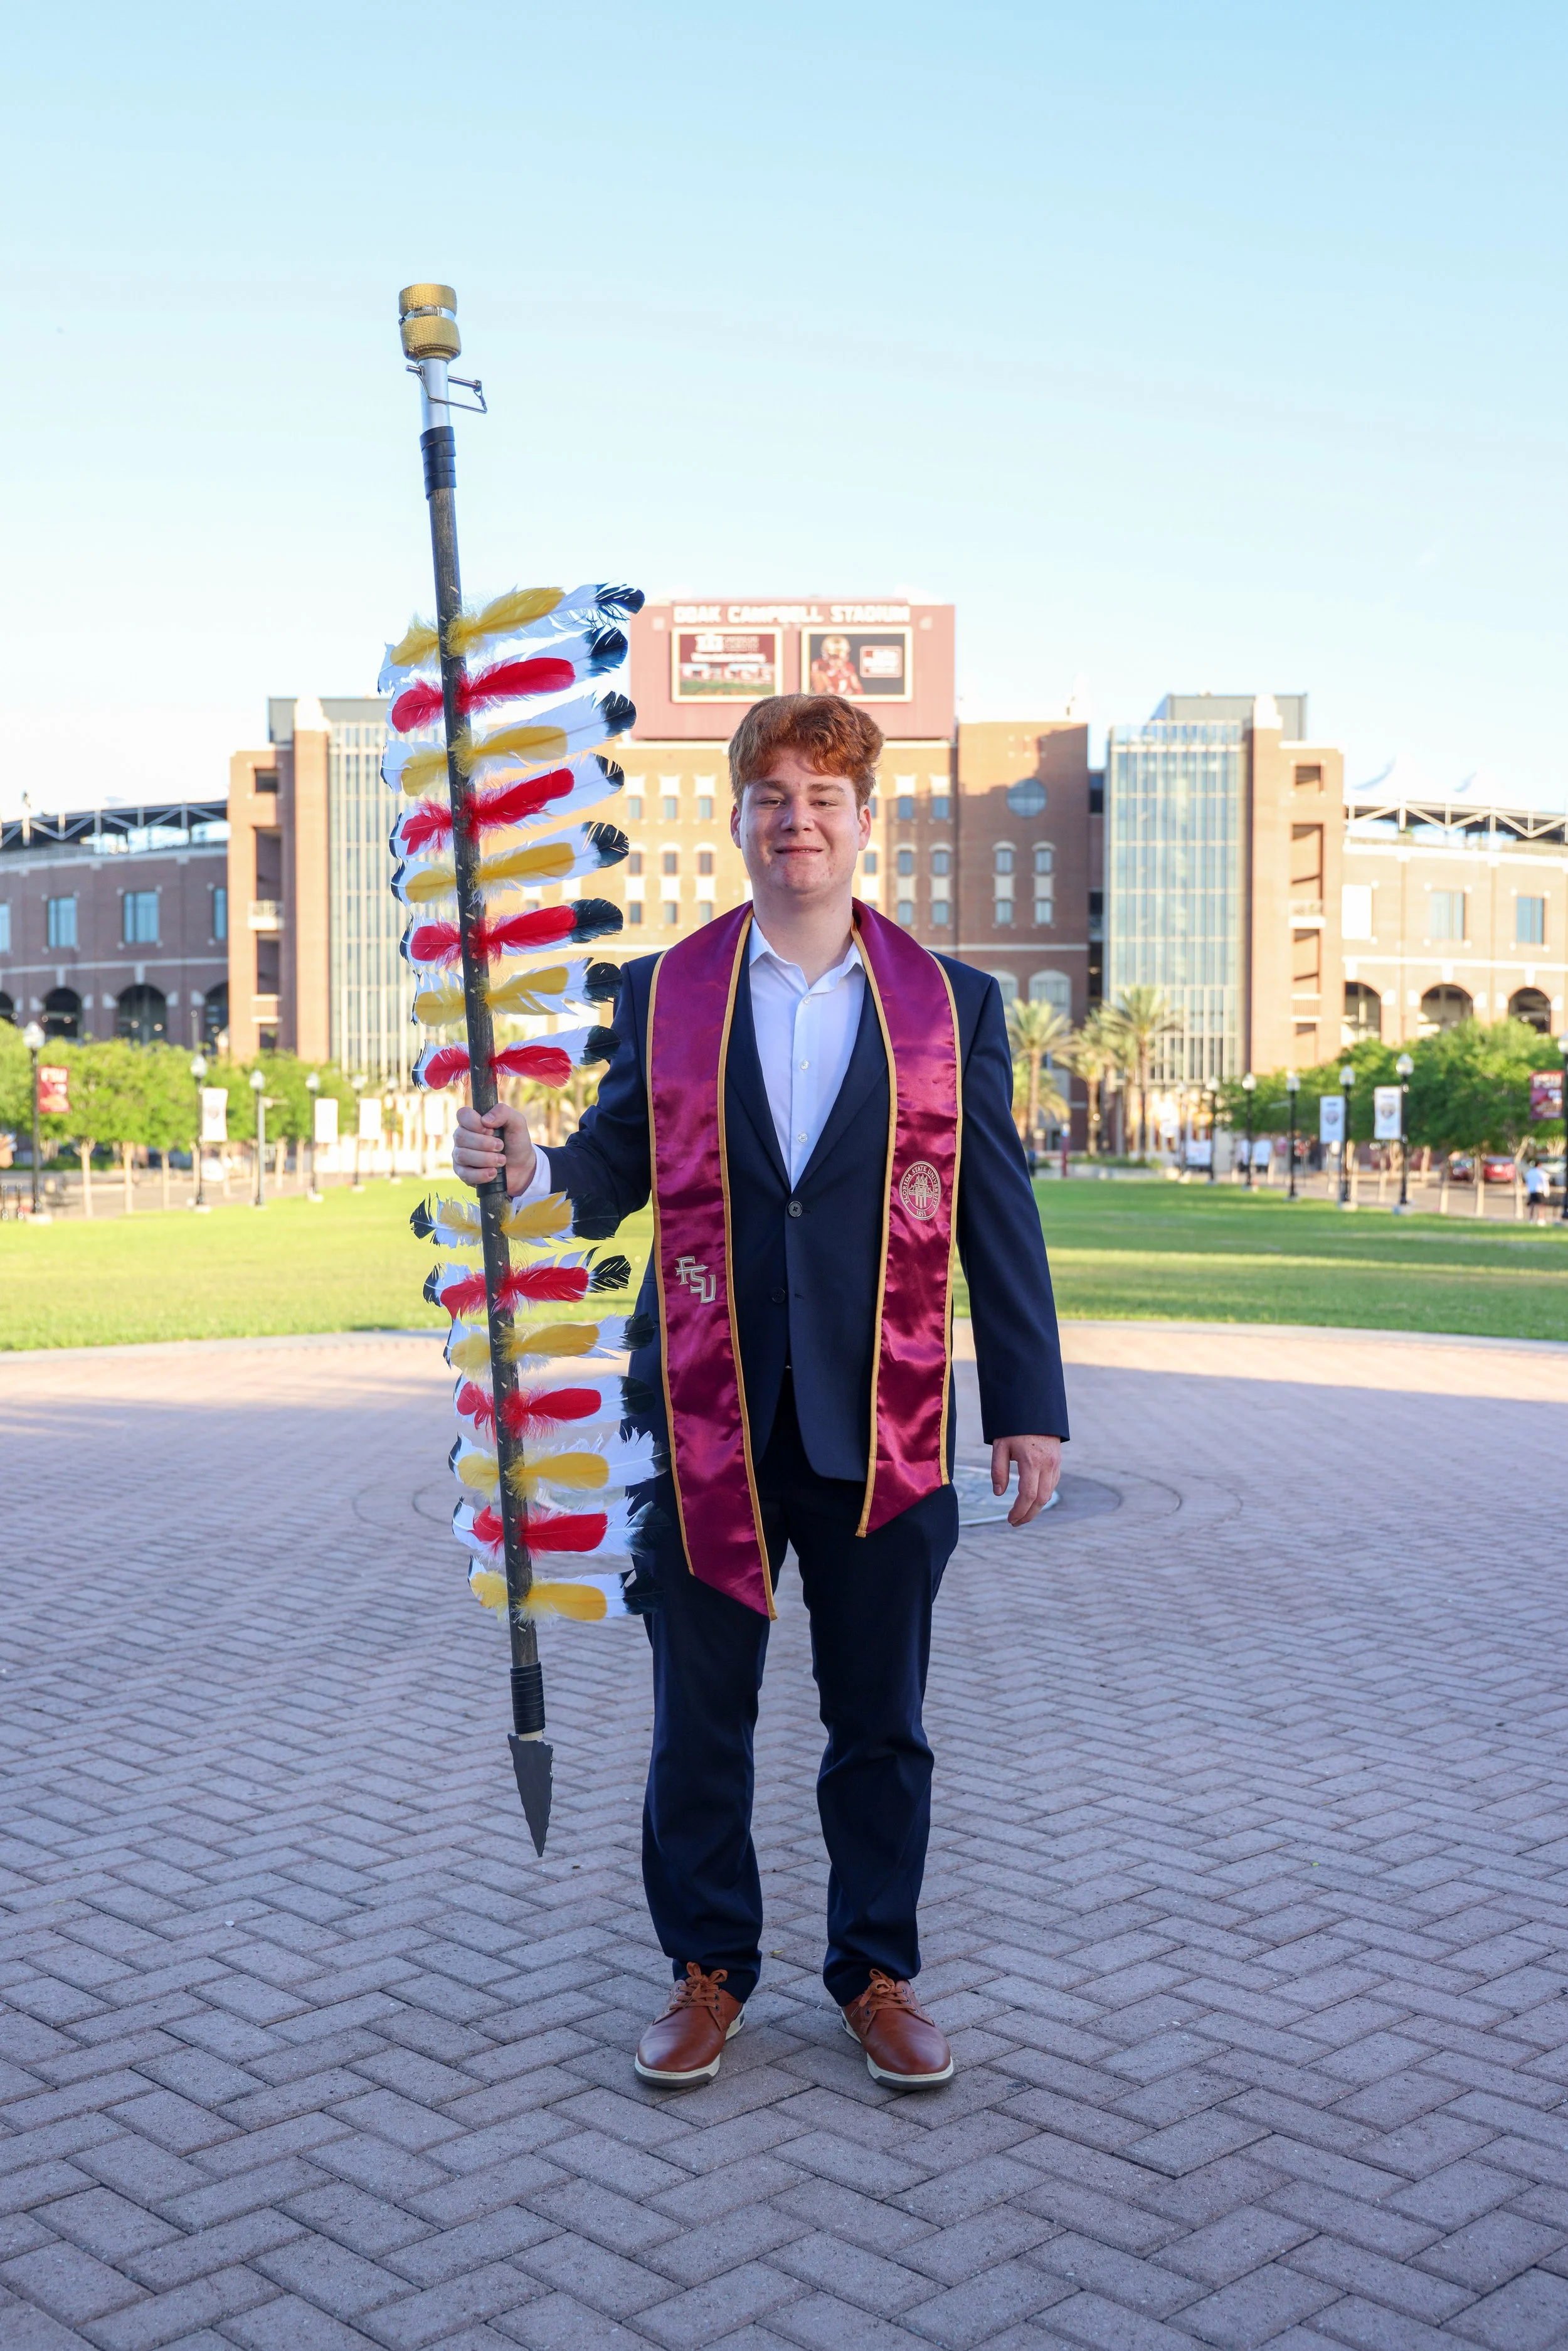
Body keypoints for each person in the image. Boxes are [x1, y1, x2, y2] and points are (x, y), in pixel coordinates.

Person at [454, 693, 1068, 2093]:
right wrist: (528, 1163)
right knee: (697, 1720)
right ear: (736, 818)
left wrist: (1025, 1402)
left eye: (824, 796)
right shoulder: (665, 990)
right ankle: (708, 1967)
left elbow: (997, 1217)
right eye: (771, 794)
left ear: (866, 823)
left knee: (882, 1724)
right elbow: (614, 1165)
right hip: (695, 1415)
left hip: (884, 1423)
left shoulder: (952, 1005)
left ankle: (873, 1969)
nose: (797, 818)